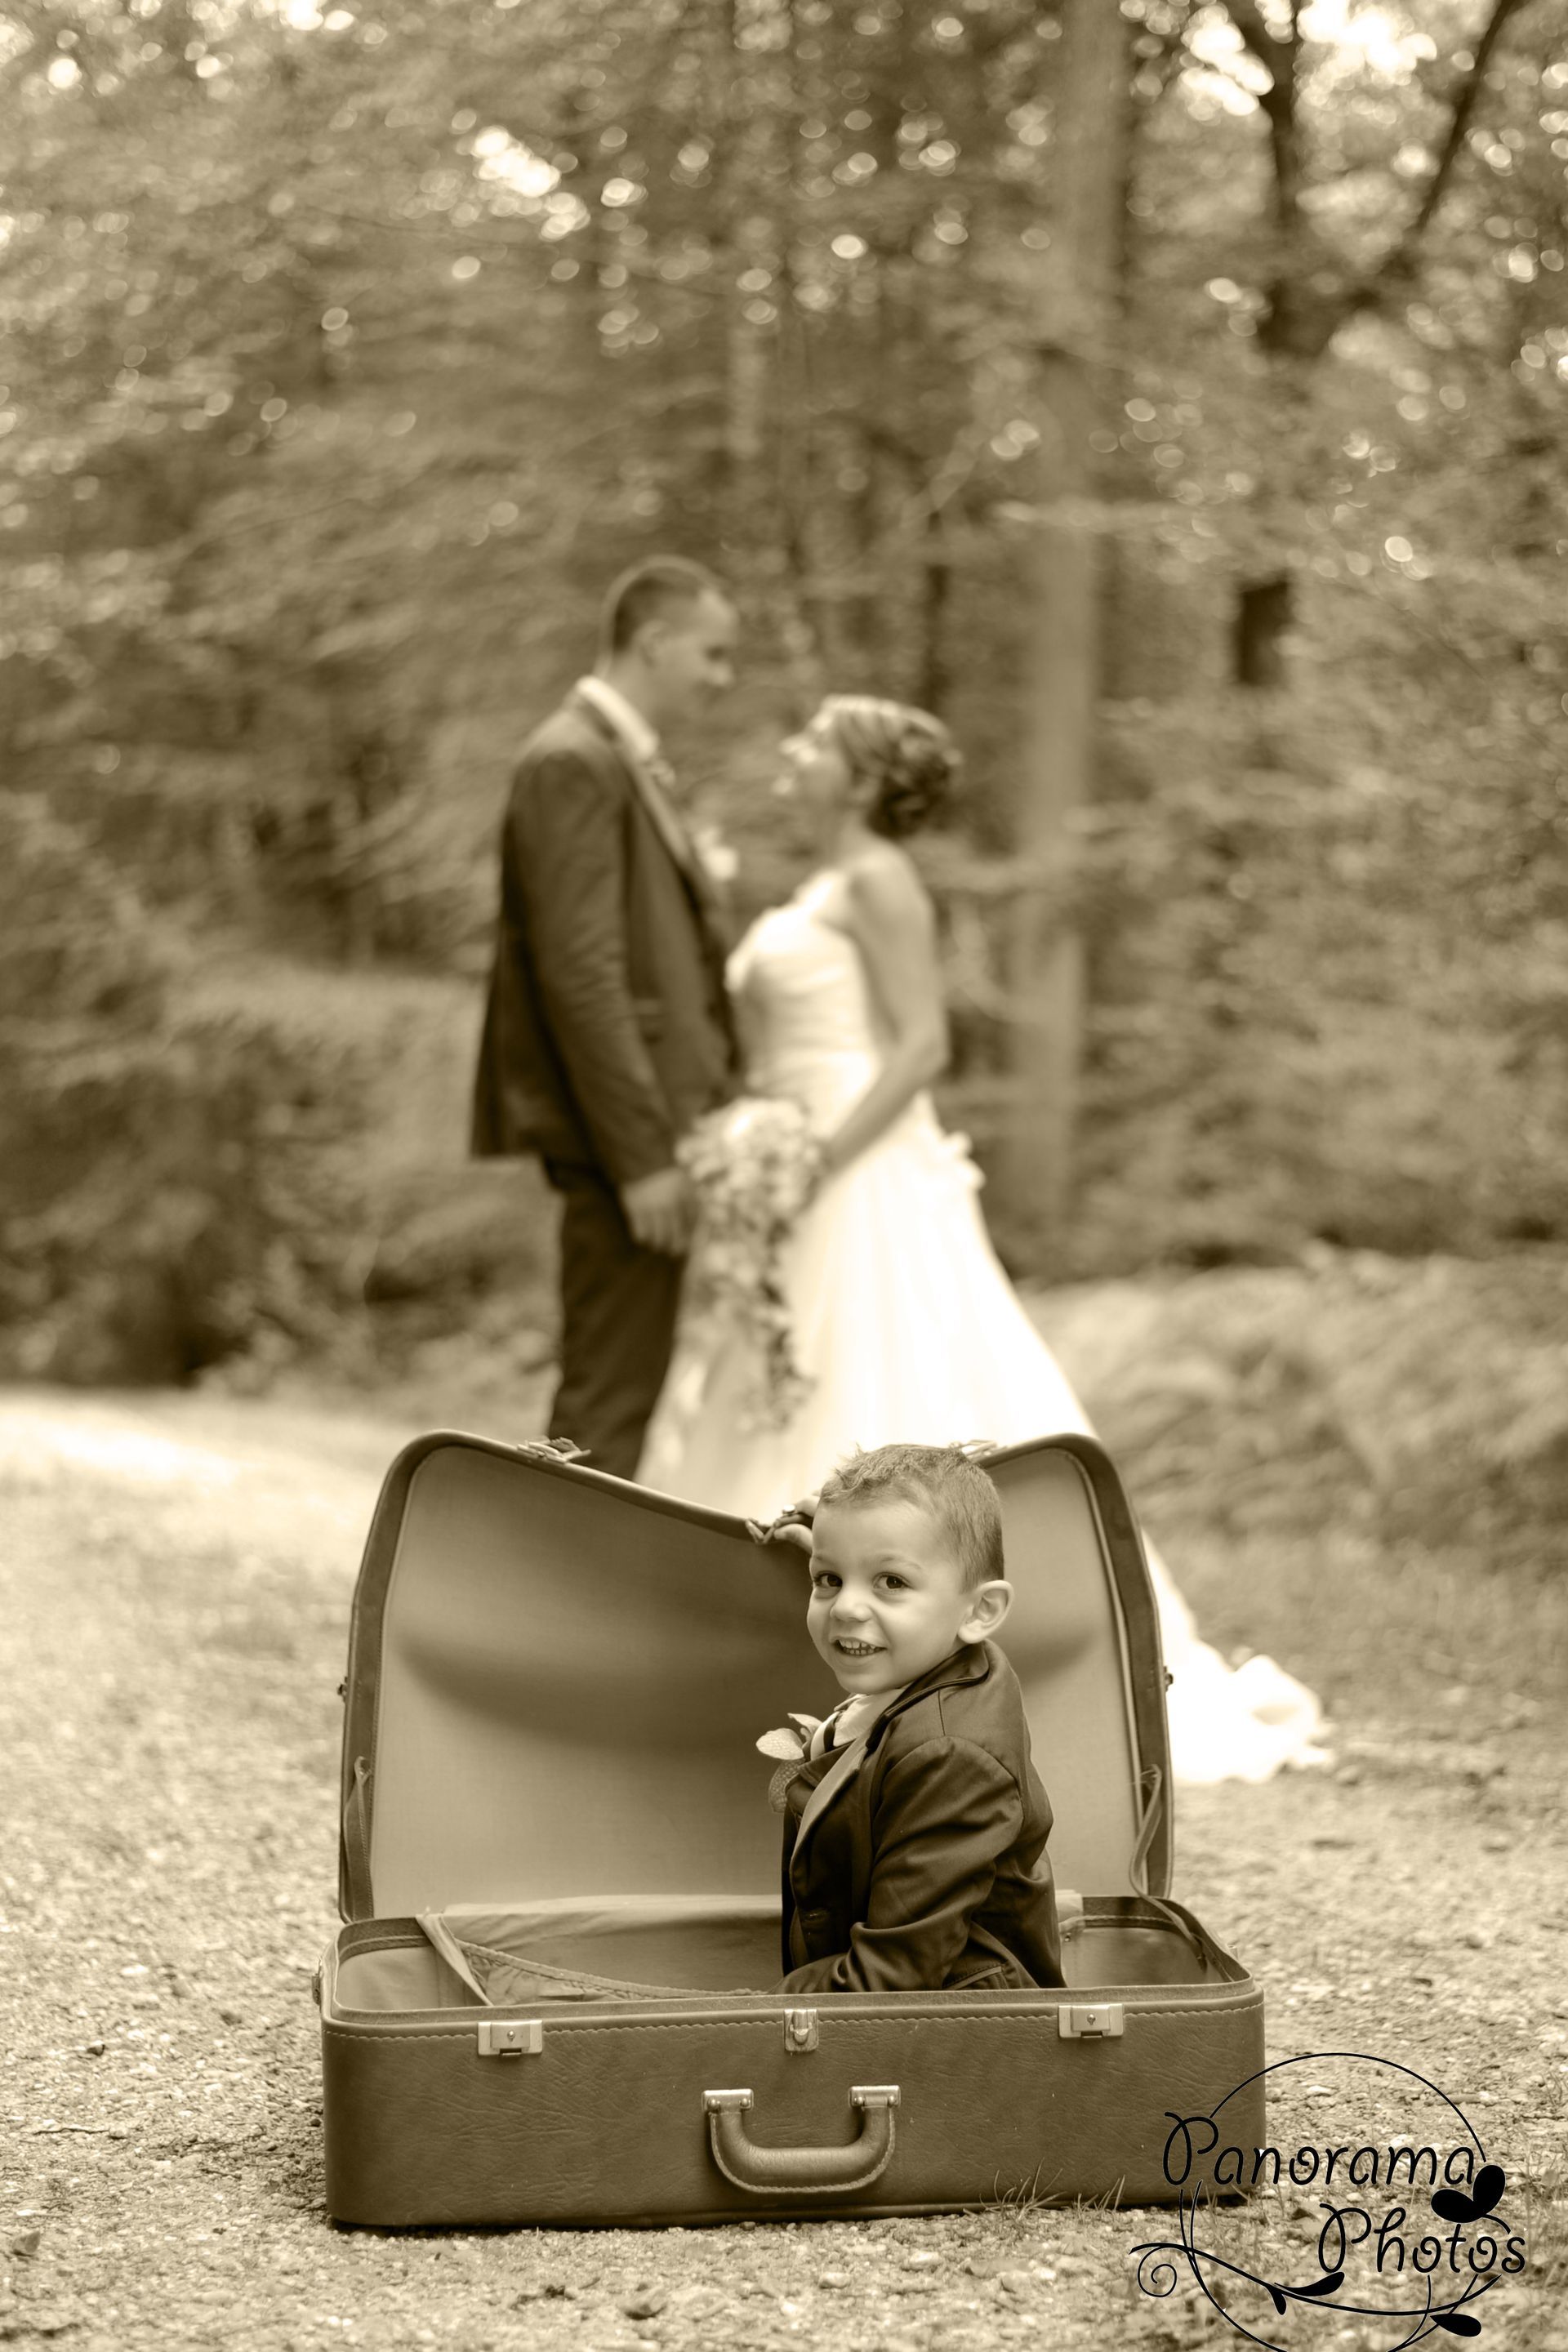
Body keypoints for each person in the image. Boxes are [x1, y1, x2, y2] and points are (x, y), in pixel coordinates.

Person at [639, 693, 1329, 1785]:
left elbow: (918, 1050)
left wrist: (815, 1157)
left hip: (859, 1174)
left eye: (815, 741)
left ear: (862, 781)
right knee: (769, 1379)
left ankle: (920, 1650)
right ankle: (747, 1657)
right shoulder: (820, 885)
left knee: (874, 1375)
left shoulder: (879, 881)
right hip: (788, 1166)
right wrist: (757, 1145)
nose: (792, 749)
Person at [471, 557, 742, 1480]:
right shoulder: (571, 761)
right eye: (712, 653)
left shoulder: (615, 760)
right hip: (625, 1145)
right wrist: (643, 1156)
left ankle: (551, 1598)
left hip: (650, 1135)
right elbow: (581, 976)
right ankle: (539, 1602)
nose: (721, 675)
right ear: (654, 643)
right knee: (603, 1399)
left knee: (620, 1388)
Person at [762, 1442, 1065, 1993]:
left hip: (958, 2028)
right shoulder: (937, 1662)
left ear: (979, 1611)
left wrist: (758, 2017)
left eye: (892, 1583)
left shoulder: (950, 1755)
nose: (847, 1608)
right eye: (827, 1579)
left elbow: (893, 1977)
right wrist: (856, 1547)